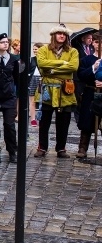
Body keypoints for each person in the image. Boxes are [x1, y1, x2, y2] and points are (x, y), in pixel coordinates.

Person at [35, 24, 79, 158]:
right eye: (59, 33)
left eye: (64, 34)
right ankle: (42, 147)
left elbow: (73, 67)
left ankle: (61, 148)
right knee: (44, 121)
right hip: (47, 89)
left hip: (65, 91)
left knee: (63, 122)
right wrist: (63, 64)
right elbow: (42, 64)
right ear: (54, 35)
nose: (62, 36)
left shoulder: (72, 51)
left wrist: (52, 69)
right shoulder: (43, 49)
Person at [76, 34, 100, 158]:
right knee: (87, 120)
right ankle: (83, 148)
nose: (99, 44)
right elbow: (81, 75)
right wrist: (93, 67)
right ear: (93, 44)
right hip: (90, 92)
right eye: (96, 42)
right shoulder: (87, 59)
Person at [28, 43, 44, 127]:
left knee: (43, 100)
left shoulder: (44, 59)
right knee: (32, 100)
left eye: (36, 49)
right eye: (34, 49)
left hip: (42, 79)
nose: (34, 50)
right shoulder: (31, 59)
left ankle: (41, 118)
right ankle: (33, 119)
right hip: (33, 79)